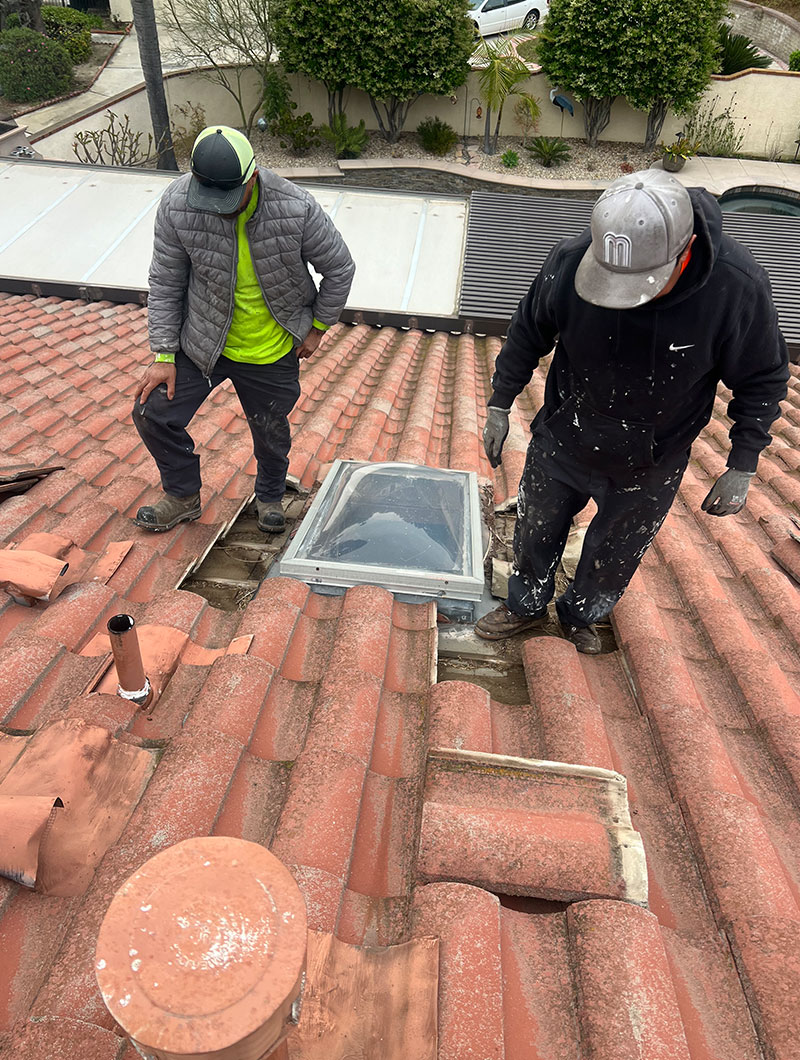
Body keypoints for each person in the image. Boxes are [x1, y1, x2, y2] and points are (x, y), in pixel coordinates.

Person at [477, 168, 789, 654]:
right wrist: (500, 401)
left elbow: (763, 376)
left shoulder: (736, 286)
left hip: (653, 456)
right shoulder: (574, 257)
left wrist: (743, 463)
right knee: (536, 529)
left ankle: (582, 614)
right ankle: (525, 606)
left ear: (683, 251)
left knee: (614, 554)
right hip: (566, 432)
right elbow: (528, 329)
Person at [132, 126, 355, 533]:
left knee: (270, 430)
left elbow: (339, 268)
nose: (220, 209)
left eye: (229, 199)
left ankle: (269, 495)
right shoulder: (177, 204)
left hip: (271, 347)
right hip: (202, 342)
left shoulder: (295, 207)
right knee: (152, 411)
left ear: (252, 177)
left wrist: (318, 327)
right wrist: (163, 353)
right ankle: (182, 495)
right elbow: (165, 279)